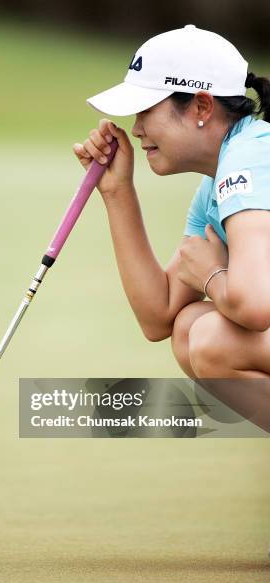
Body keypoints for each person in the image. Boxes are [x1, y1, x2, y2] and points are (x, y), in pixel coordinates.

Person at [73, 24, 270, 382]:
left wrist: (211, 276)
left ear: (202, 106)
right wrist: (118, 192)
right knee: (187, 328)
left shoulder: (249, 159)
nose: (135, 129)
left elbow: (256, 306)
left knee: (212, 341)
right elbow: (158, 315)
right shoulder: (219, 178)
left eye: (145, 110)